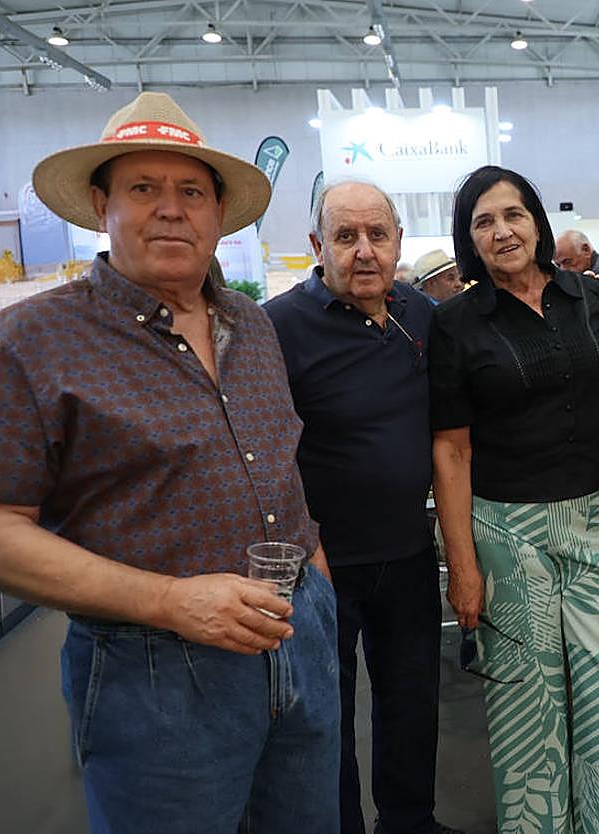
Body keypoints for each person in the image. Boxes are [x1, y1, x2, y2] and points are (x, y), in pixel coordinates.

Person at [0, 92, 339, 832]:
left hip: (295, 635)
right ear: (100, 205)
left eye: (191, 191)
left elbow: (279, 458)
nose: (170, 209)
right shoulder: (33, 340)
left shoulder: (251, 322)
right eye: (142, 188)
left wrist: (317, 581)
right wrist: (170, 602)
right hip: (152, 672)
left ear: (218, 213)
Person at [429, 165, 599, 832]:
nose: (502, 231)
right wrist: (462, 565)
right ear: (469, 239)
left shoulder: (590, 298)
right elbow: (451, 450)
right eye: (483, 222)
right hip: (506, 536)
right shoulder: (455, 323)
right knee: (530, 712)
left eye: (513, 214)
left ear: (536, 221)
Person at [264, 180, 460, 834]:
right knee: (326, 718)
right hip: (320, 567)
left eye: (378, 235)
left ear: (399, 242)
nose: (365, 251)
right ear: (318, 246)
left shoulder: (421, 315)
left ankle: (410, 822)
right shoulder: (279, 326)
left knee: (412, 704)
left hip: (407, 551)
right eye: (346, 237)